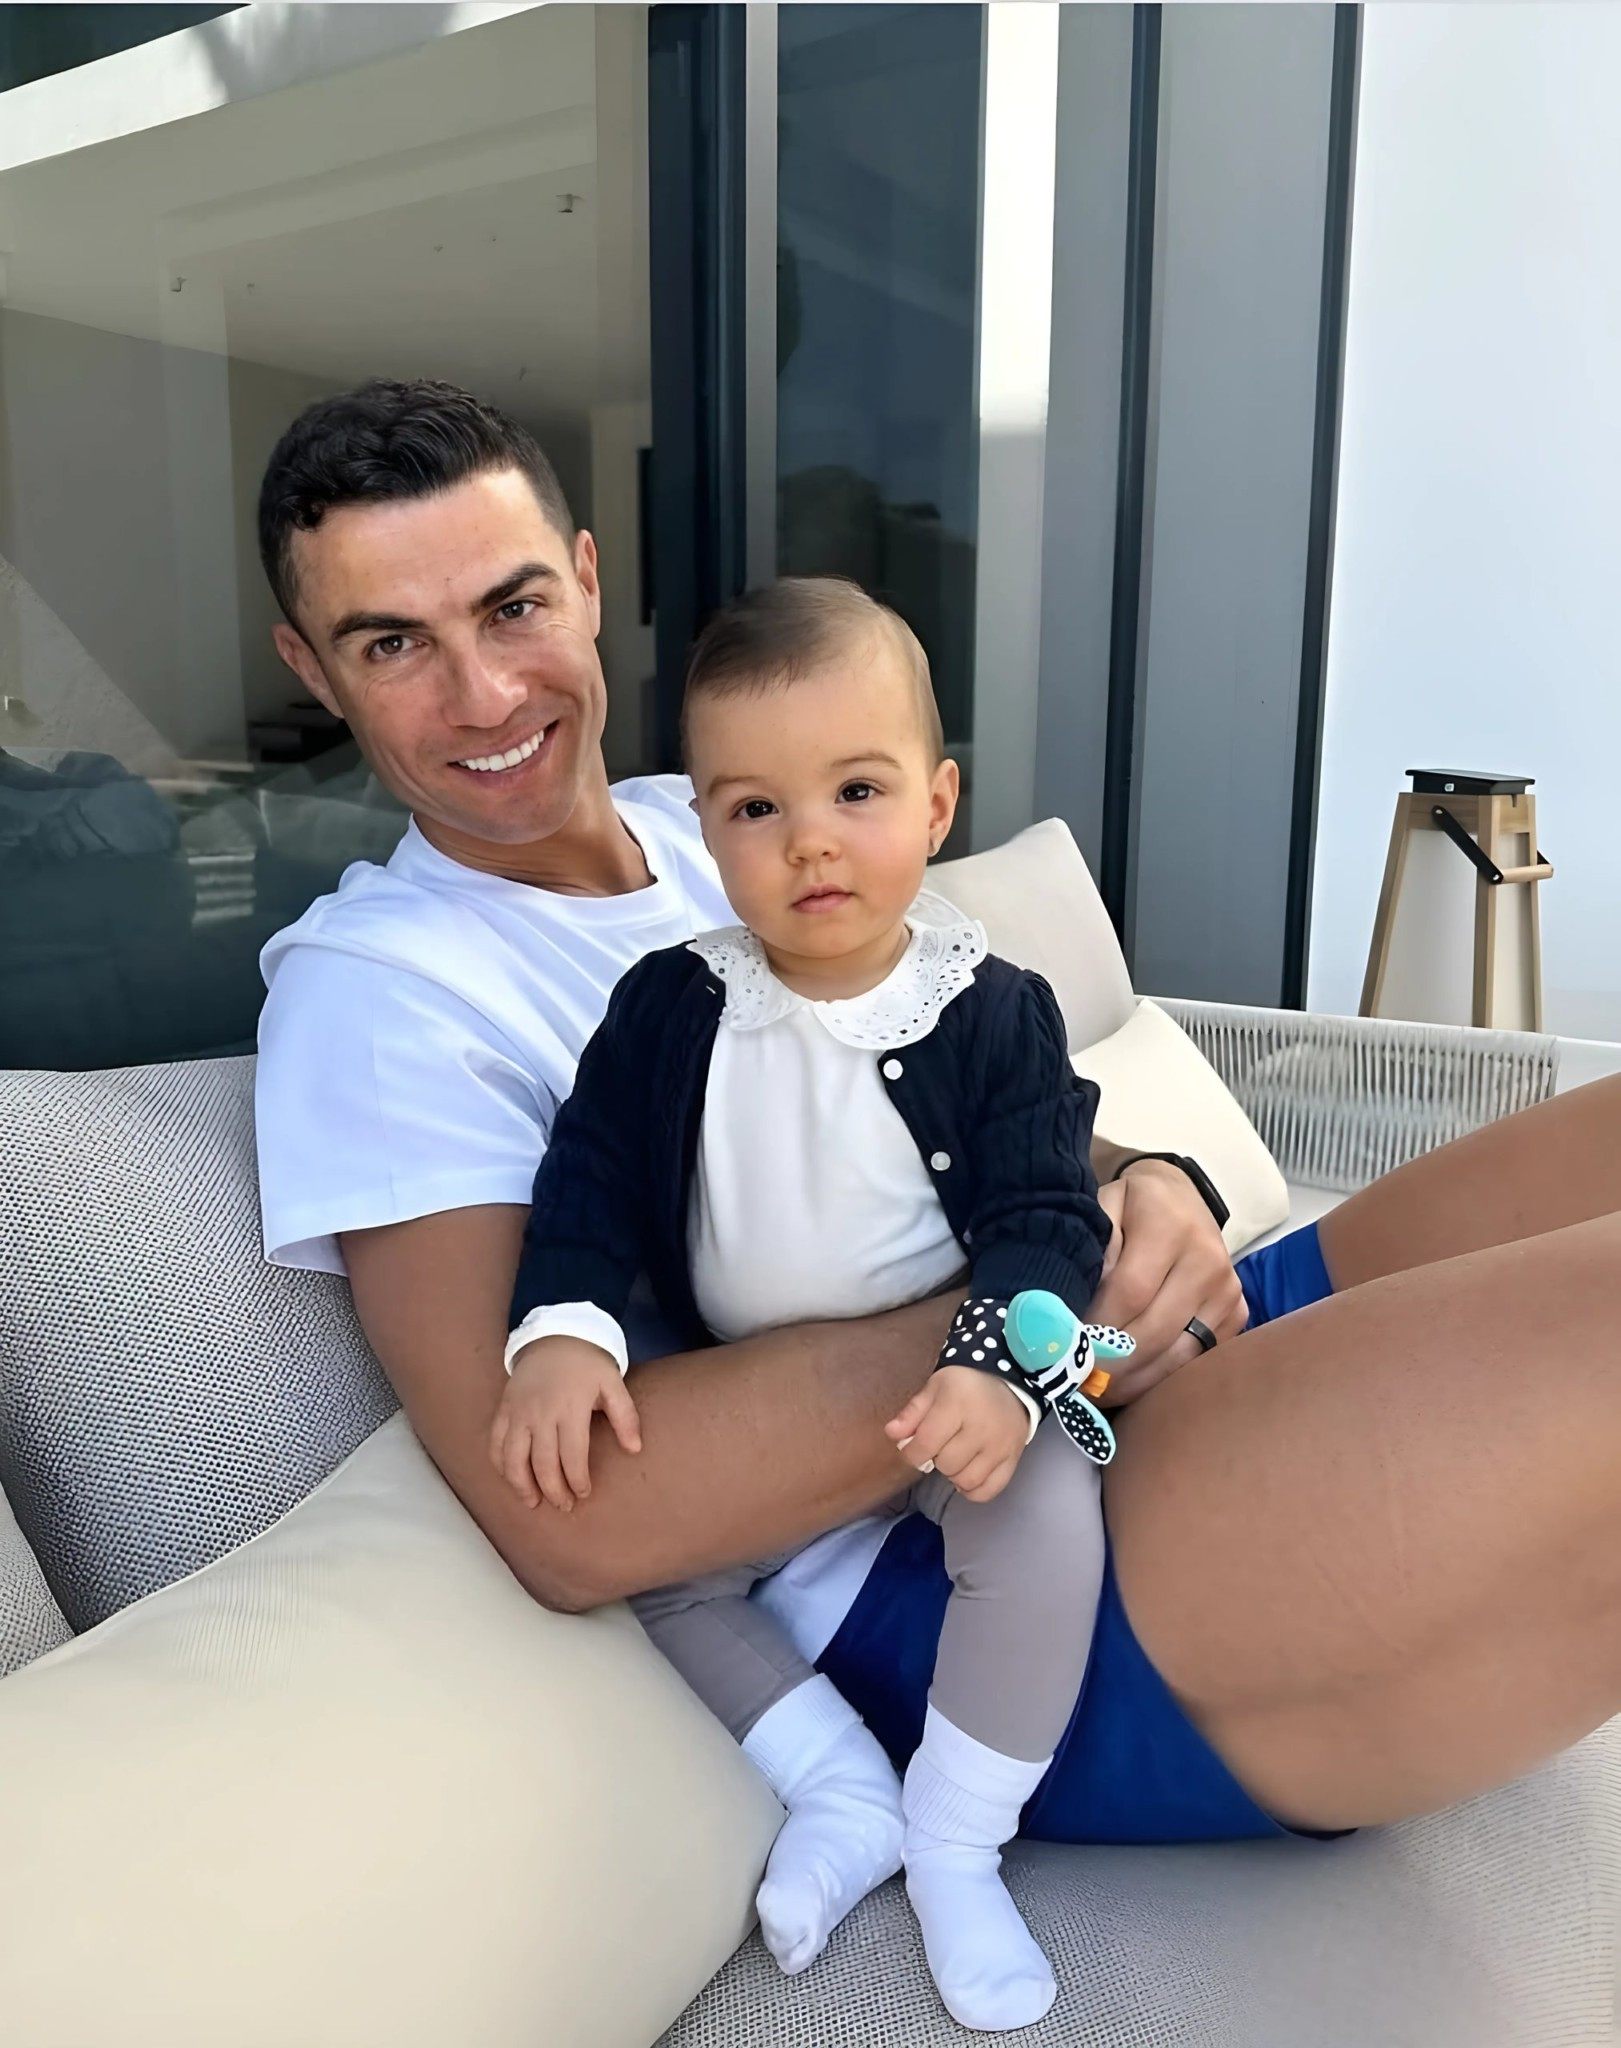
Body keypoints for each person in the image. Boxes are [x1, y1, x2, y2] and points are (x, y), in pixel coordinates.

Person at [254, 380, 1621, 1893]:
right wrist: (1026, 1323)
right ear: (311, 667)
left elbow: (974, 1114)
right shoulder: (381, 999)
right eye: (393, 644)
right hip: (947, 1565)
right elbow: (563, 1519)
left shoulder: (728, 816)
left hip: (1109, 1372)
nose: (484, 694)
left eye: (511, 607)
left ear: (583, 583)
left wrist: (1139, 1186)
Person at [495, 577, 1129, 2029]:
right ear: (703, 827)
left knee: (1045, 1521)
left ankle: (957, 1841)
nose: (811, 842)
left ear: (936, 803)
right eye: (755, 809)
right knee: (656, 1572)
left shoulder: (992, 1010)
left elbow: (1046, 1213)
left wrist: (992, 1366)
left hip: (945, 1390)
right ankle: (839, 1790)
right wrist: (564, 1333)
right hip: (762, 1417)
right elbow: (586, 1180)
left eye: (856, 791)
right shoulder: (668, 1005)